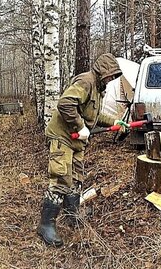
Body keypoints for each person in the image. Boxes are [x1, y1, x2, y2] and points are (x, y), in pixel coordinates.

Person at [37, 53, 129, 247]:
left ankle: (72, 214)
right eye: (111, 76)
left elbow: (92, 115)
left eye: (115, 76)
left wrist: (114, 121)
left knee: (76, 176)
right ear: (102, 72)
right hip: (63, 136)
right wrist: (80, 126)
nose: (112, 80)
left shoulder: (99, 88)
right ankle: (46, 224)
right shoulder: (86, 81)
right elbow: (65, 104)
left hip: (77, 140)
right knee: (61, 177)